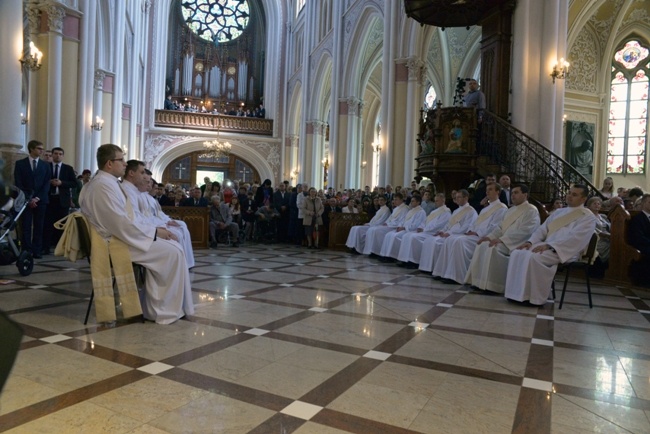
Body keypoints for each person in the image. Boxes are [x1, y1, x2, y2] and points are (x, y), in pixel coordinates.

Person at [80, 144, 193, 324]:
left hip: (122, 237)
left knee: (174, 248)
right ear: (109, 163)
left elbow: (127, 219)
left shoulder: (107, 183)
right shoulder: (102, 186)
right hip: (116, 242)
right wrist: (154, 232)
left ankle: (162, 307)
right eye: (121, 160)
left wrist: (155, 231)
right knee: (173, 253)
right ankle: (160, 311)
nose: (125, 164)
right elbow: (119, 223)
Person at [504, 184, 596, 306]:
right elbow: (542, 230)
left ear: (584, 199)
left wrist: (551, 246)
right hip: (547, 245)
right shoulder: (559, 212)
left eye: (574, 195)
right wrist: (529, 242)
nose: (569, 196)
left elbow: (576, 238)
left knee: (534, 257)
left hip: (564, 250)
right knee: (517, 253)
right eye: (569, 193)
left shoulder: (587, 216)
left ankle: (533, 298)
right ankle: (515, 295)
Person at [465, 184, 540, 293]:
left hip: (516, 243)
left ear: (525, 195)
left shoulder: (531, 210)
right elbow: (500, 228)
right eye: (512, 193)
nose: (513, 195)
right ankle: (479, 282)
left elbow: (526, 231)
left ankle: (493, 286)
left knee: (493, 248)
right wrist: (489, 237)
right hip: (504, 241)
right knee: (483, 245)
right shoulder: (510, 210)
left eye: (516, 193)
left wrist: (502, 240)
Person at [432, 183, 508, 283]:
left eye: (490, 189)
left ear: (498, 192)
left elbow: (494, 226)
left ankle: (457, 276)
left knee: (458, 241)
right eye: (487, 190)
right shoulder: (485, 209)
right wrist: (471, 231)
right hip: (475, 234)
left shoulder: (501, 208)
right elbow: (475, 223)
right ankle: (445, 273)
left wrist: (477, 233)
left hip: (483, 237)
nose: (487, 192)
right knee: (451, 239)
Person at [419, 190, 478, 273]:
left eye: (459, 197)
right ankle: (429, 268)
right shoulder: (456, 211)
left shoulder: (471, 211)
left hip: (457, 235)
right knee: (430, 240)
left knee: (436, 242)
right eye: (456, 197)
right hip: (448, 234)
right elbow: (448, 225)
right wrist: (442, 231)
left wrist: (449, 233)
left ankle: (443, 271)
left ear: (466, 198)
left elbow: (466, 227)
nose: (457, 199)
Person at [14, 140, 52, 259]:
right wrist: (28, 198)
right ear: (31, 149)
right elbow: (18, 183)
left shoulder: (45, 165)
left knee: (39, 226)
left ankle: (37, 250)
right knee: (25, 226)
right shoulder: (20, 164)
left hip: (41, 200)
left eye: (42, 148)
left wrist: (36, 198)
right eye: (39, 148)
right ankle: (26, 250)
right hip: (25, 200)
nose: (42, 151)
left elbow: (47, 183)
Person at [396, 193, 451, 268]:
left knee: (414, 237)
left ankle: (414, 261)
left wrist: (424, 229)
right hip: (426, 231)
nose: (435, 202)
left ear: (443, 201)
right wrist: (421, 227)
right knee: (407, 235)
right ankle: (405, 259)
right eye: (435, 201)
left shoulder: (446, 212)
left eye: (437, 201)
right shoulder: (434, 211)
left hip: (432, 232)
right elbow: (425, 221)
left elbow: (438, 225)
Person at [43, 147, 78, 254]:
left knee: (62, 224)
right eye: (56, 153)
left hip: (62, 200)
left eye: (60, 154)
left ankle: (60, 247)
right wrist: (49, 182)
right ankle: (46, 247)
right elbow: (41, 180)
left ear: (63, 156)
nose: (58, 155)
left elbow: (74, 183)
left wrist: (61, 183)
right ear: (52, 155)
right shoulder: (46, 167)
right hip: (49, 199)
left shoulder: (68, 168)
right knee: (47, 224)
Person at [378, 195, 426, 261]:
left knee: (395, 236)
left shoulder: (421, 212)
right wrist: (400, 226)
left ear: (418, 202)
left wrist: (404, 228)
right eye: (411, 201)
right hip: (404, 229)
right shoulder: (411, 211)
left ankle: (394, 257)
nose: (411, 203)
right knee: (389, 234)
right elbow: (403, 220)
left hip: (411, 230)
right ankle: (387, 255)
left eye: (413, 201)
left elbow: (416, 224)